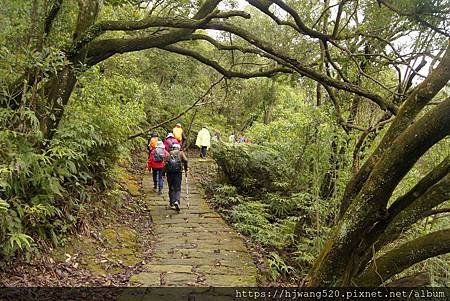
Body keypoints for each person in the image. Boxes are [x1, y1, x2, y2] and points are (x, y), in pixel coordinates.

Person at [164, 143, 188, 212]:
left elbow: (165, 164)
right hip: (178, 173)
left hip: (170, 173)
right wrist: (186, 169)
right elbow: (186, 160)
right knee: (177, 188)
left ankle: (172, 203)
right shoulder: (181, 153)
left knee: (171, 188)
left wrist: (163, 173)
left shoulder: (168, 154)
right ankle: (177, 201)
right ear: (178, 148)